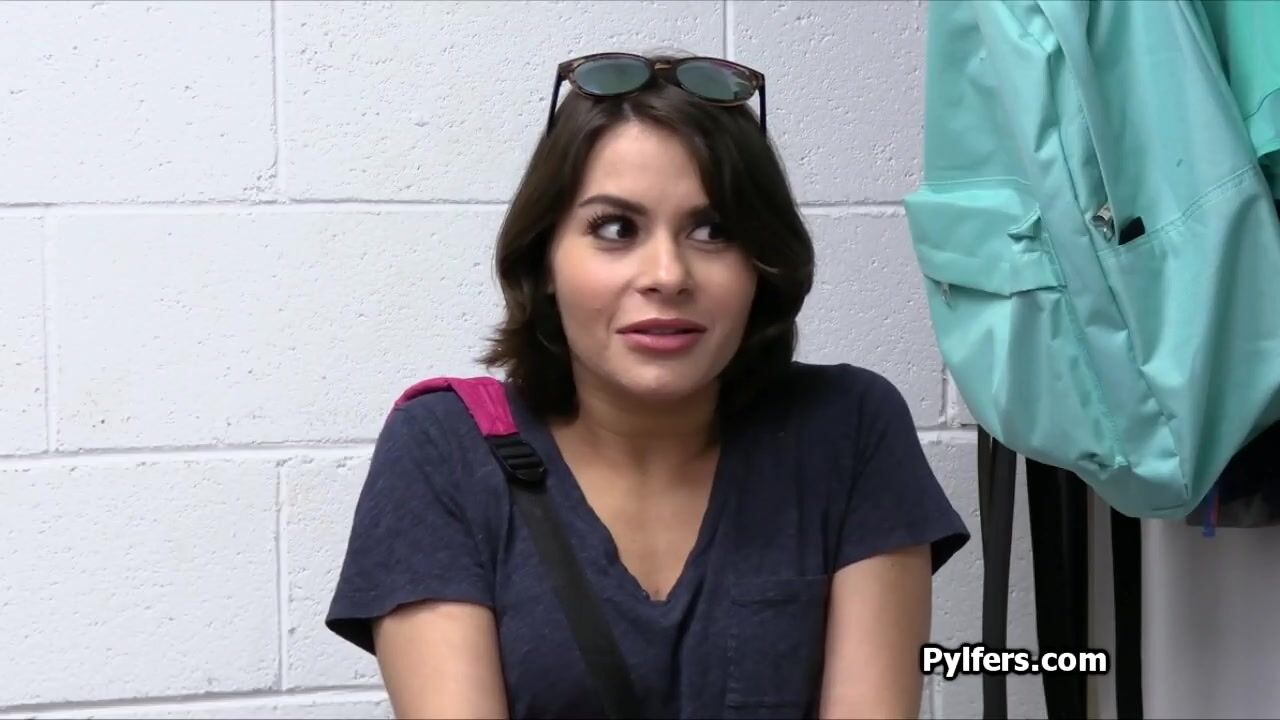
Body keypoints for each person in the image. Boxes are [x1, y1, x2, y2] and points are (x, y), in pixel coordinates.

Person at [325, 50, 970, 719]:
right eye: (615, 229)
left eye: (713, 230)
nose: (667, 275)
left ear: (761, 264)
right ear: (545, 259)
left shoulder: (848, 430)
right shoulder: (444, 449)